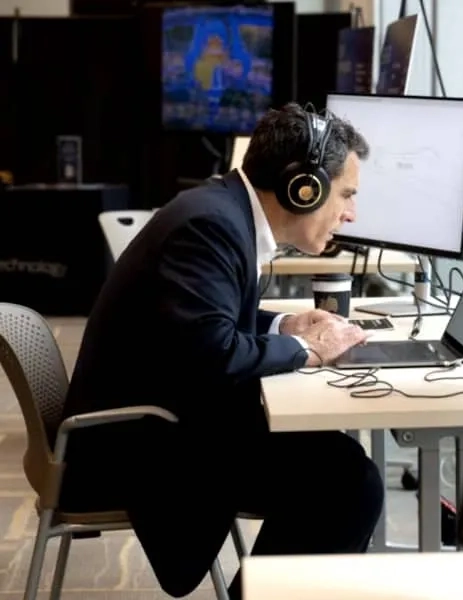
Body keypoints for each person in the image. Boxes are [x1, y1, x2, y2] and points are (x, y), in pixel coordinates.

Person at [59, 103, 384, 599]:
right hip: (135, 447)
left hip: (160, 420)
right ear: (304, 187)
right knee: (345, 483)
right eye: (346, 194)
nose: (350, 214)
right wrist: (307, 348)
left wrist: (285, 323)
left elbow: (207, 320)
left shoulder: (221, 210)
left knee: (338, 469)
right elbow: (214, 352)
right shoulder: (209, 226)